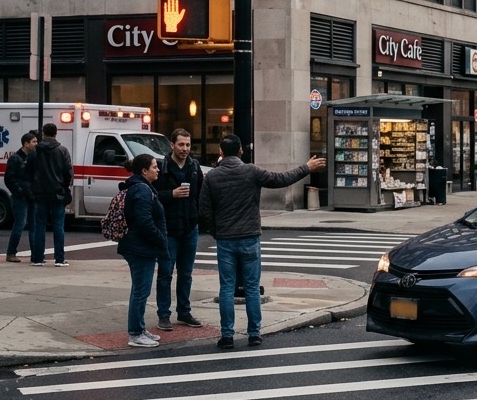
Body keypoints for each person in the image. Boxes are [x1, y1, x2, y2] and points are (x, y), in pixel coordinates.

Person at [199, 134, 326, 350]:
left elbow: (204, 211)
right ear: (240, 151)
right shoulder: (252, 171)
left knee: (226, 288)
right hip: (249, 237)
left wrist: (216, 232)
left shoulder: (212, 177)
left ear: (221, 152)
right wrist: (306, 168)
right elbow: (281, 179)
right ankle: (254, 334)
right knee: (251, 287)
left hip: (226, 239)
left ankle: (227, 335)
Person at [117, 153, 169, 348]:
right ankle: (136, 333)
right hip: (140, 248)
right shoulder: (141, 190)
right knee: (141, 291)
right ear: (144, 171)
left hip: (140, 246)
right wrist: (160, 239)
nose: (158, 170)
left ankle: (139, 328)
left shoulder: (142, 187)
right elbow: (144, 221)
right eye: (154, 167)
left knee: (141, 290)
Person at [155, 128, 204, 330]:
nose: (185, 148)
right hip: (168, 228)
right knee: (165, 273)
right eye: (181, 144)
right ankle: (163, 314)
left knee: (186, 273)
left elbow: (201, 194)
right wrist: (171, 194)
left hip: (190, 227)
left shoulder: (194, 166)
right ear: (172, 145)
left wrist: (199, 217)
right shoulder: (161, 167)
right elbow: (152, 195)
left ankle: (184, 311)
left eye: (188, 145)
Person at [29, 122, 72, 267]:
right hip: (57, 193)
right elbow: (68, 172)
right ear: (55, 133)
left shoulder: (35, 151)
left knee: (39, 226)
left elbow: (29, 171)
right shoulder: (62, 150)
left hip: (40, 193)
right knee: (58, 226)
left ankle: (38, 258)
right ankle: (59, 258)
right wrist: (64, 187)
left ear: (43, 133)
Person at [3, 131, 37, 262]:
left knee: (33, 224)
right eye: (33, 142)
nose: (36, 144)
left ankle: (36, 254)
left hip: (31, 196)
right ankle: (11, 253)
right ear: (26, 144)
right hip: (20, 197)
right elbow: (9, 178)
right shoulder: (15, 159)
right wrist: (19, 191)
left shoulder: (32, 158)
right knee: (20, 224)